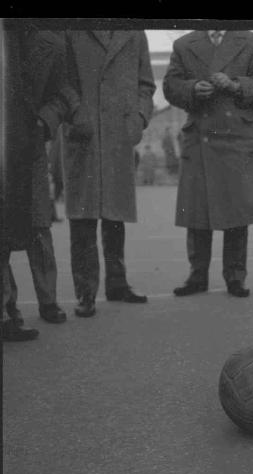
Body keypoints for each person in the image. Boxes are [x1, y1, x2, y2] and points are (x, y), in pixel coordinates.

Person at [163, 30, 253, 298]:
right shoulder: (183, 44)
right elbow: (170, 86)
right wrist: (192, 88)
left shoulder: (252, 41)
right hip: (200, 135)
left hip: (238, 137)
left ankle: (235, 277)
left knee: (237, 210)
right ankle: (197, 276)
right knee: (197, 210)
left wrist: (236, 85)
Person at [62, 30, 155, 317]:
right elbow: (61, 81)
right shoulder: (72, 28)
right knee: (83, 217)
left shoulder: (134, 32)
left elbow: (146, 84)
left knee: (116, 215)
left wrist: (139, 117)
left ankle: (117, 283)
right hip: (83, 131)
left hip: (119, 132)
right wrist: (77, 111)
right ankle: (85, 293)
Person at [1, 23, 78, 341]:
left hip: (29, 139)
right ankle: (5, 311)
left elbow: (67, 92)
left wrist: (42, 122)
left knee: (38, 222)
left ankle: (48, 300)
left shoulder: (57, 33)